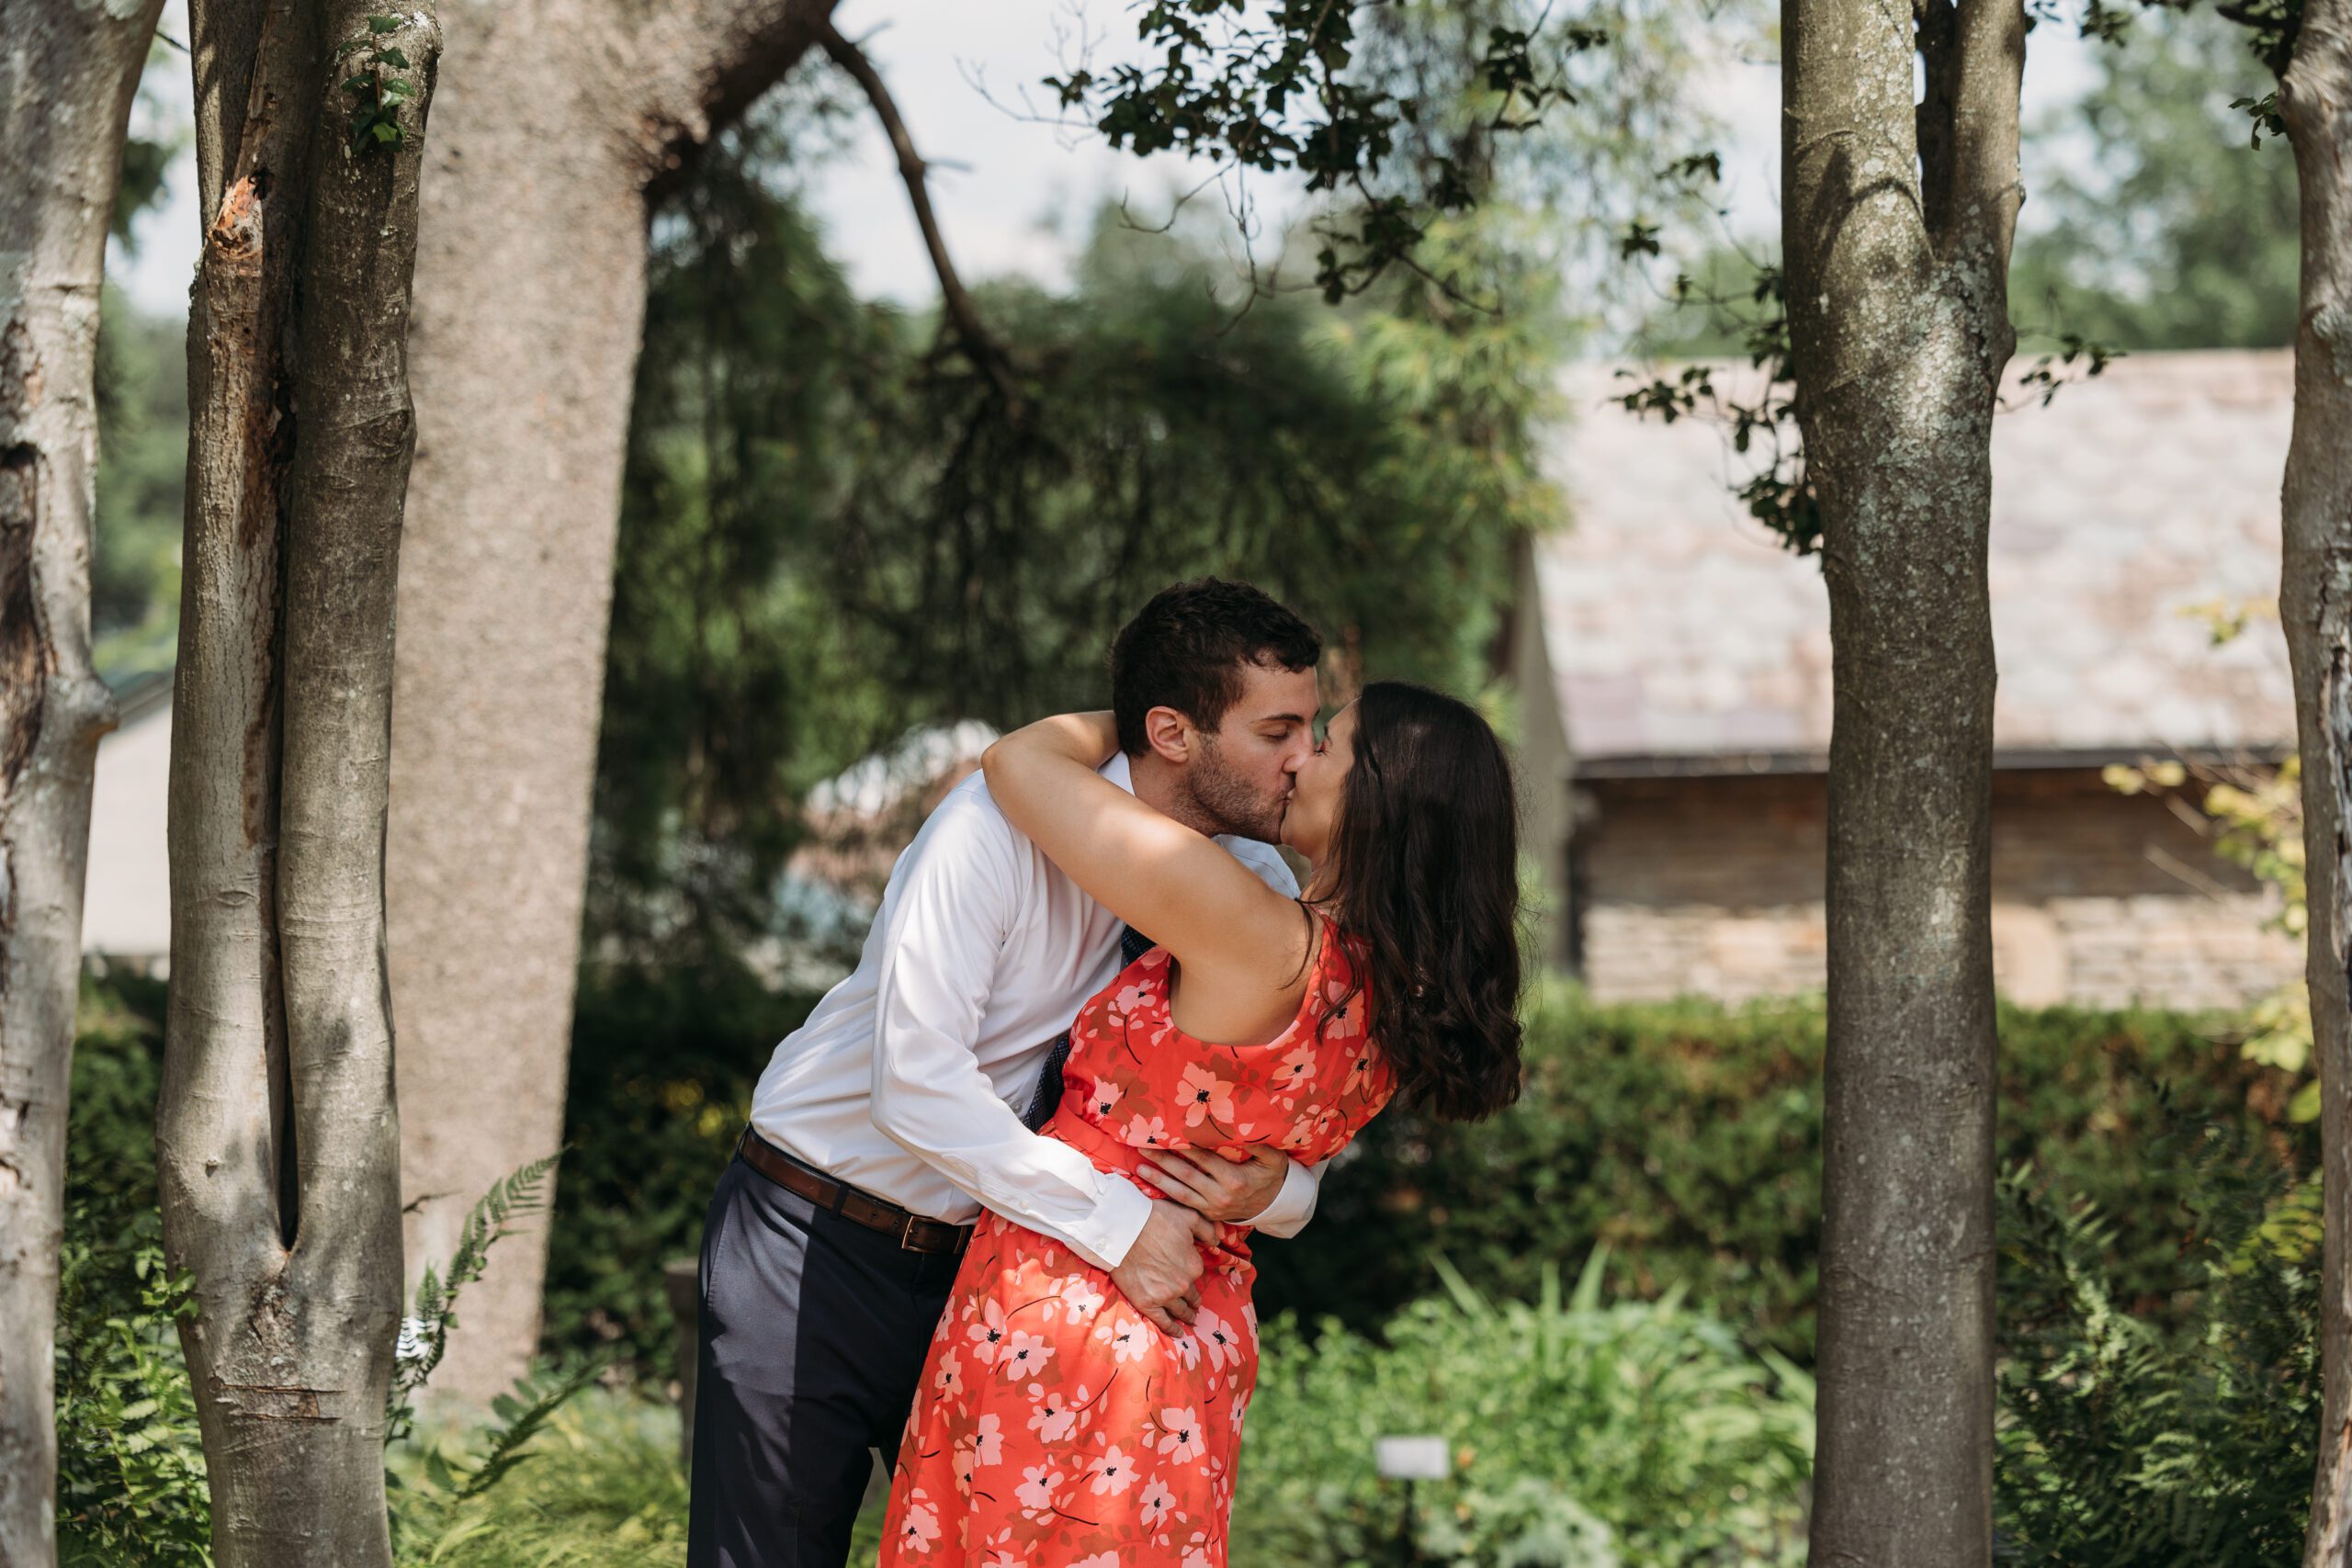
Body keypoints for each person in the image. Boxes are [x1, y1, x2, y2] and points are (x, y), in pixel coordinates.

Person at [687, 580, 1338, 1568]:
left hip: (1011, 1270)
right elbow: (914, 1081)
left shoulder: (1257, 884)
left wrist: (1282, 1191)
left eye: (1312, 731)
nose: (1302, 759)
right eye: (1277, 731)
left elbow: (1282, 1097)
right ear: (1171, 733)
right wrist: (1120, 1228)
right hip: (818, 1235)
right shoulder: (986, 828)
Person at [875, 679, 1526, 1566]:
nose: (1299, 758)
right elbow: (1270, 1156)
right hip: (1194, 1341)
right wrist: (1283, 1190)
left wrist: (1154, 707)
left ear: (1377, 799)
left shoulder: (1256, 932)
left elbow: (1019, 764)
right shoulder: (1394, 997)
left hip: (1076, 1312)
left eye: (1326, 744)